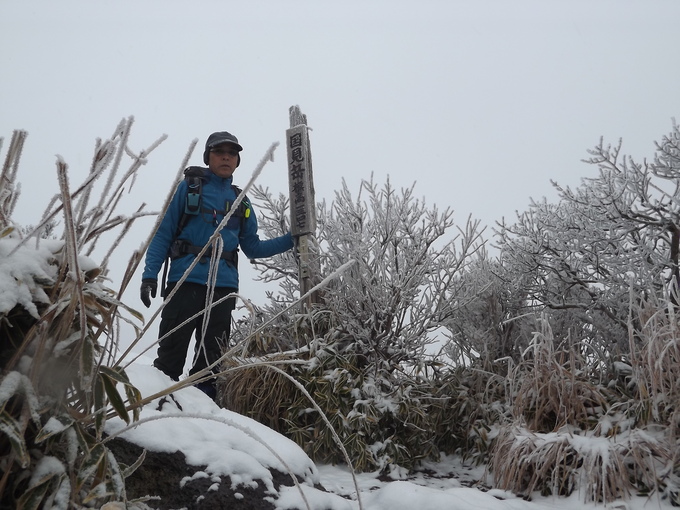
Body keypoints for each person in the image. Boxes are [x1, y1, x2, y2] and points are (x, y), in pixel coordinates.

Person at [140, 131, 294, 400]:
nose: (226, 156)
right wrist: (149, 275)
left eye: (232, 153)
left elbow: (253, 248)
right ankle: (157, 411)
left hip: (223, 289)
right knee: (170, 357)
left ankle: (203, 419)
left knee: (210, 362)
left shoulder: (241, 201)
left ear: (237, 161)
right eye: (219, 151)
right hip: (185, 281)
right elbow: (163, 234)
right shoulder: (188, 188)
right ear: (208, 157)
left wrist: (294, 238)